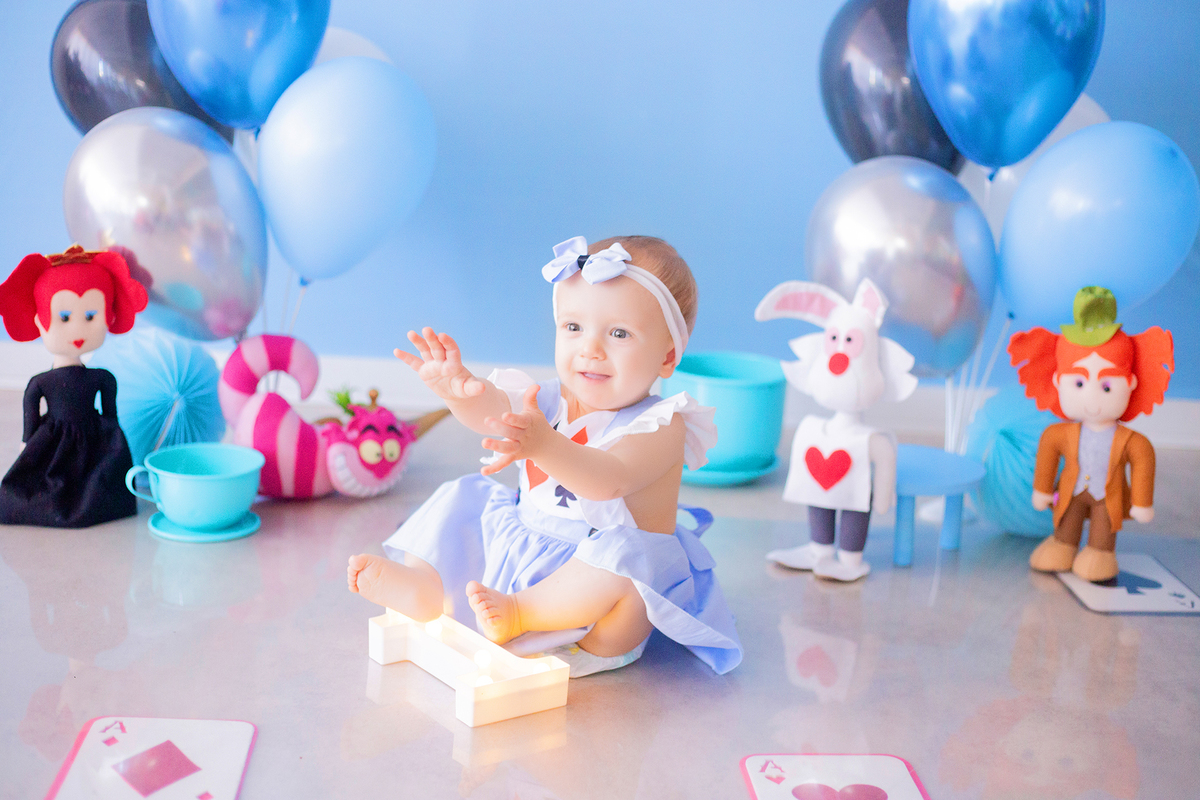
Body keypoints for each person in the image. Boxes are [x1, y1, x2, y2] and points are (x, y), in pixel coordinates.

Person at [348, 236, 742, 675]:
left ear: (667, 357)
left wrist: (544, 445)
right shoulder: (548, 399)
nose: (590, 349)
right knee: (465, 494)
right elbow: (493, 414)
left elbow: (609, 478)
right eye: (574, 328)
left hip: (598, 608)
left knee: (627, 564)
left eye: (619, 333)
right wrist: (460, 391)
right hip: (519, 556)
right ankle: (426, 587)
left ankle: (520, 613)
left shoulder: (661, 424)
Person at [1008, 286, 1173, 583]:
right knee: (1066, 520)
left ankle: (1100, 552)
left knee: (1102, 526)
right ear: (1059, 381)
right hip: (1070, 492)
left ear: (1131, 383)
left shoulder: (1129, 441)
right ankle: (1063, 544)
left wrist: (1141, 501)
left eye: (1107, 386)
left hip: (1106, 498)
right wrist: (1043, 489)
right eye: (1079, 384)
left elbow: (1143, 456)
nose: (1093, 398)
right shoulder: (1060, 433)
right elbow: (1048, 448)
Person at [0, 245, 148, 527]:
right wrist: (26, 443)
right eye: (64, 318)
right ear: (39, 323)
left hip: (94, 439)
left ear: (109, 318)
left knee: (102, 487)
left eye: (91, 316)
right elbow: (31, 416)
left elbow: (110, 418)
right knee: (33, 488)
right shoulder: (40, 383)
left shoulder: (103, 379)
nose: (78, 330)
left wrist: (114, 445)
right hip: (52, 440)